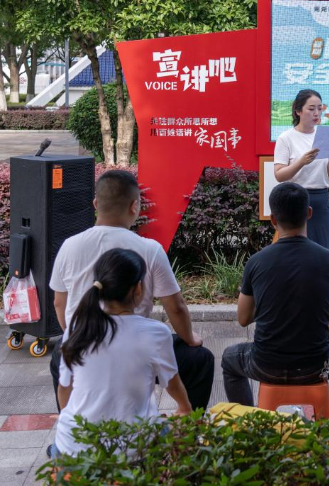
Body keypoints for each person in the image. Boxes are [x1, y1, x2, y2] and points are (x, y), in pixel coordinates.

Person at [50, 170, 213, 411]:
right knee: (200, 359)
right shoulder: (149, 249)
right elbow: (176, 307)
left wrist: (76, 336)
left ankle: (70, 425)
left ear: (96, 204)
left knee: (59, 355)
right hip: (136, 349)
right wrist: (190, 338)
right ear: (135, 206)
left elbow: (59, 304)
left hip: (83, 343)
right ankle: (190, 426)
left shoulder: (69, 246)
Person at [221, 182, 329, 414]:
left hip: (265, 365)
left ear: (273, 219)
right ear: (309, 213)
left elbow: (243, 318)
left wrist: (269, 303)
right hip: (316, 366)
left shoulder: (256, 262)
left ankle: (249, 423)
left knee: (229, 358)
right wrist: (318, 349)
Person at [53, 249, 191, 457]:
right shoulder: (155, 332)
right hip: (132, 451)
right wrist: (185, 408)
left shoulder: (76, 327)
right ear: (138, 288)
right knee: (171, 429)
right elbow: (172, 384)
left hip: (72, 448)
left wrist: (70, 424)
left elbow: (64, 388)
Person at [273, 88, 329, 249]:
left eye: (319, 108)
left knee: (322, 247)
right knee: (297, 248)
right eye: (311, 109)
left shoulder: (324, 135)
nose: (316, 113)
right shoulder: (286, 138)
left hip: (320, 199)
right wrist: (301, 162)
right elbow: (279, 175)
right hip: (295, 199)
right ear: (298, 111)